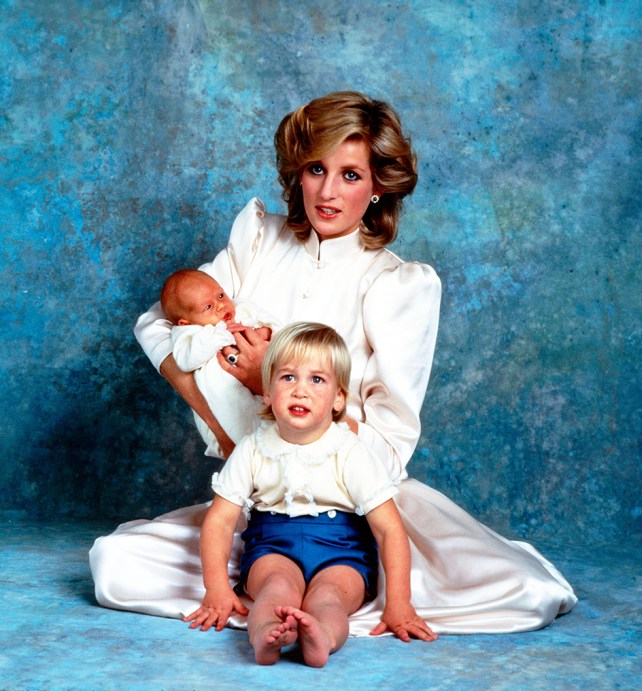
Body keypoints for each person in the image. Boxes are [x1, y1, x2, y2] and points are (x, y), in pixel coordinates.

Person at [90, 90, 577, 635]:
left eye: (350, 175)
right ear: (296, 172)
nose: (327, 191)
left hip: (361, 506)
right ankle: (277, 599)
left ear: (377, 187)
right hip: (257, 498)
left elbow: (390, 447)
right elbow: (159, 324)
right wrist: (233, 438)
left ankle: (337, 599)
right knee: (114, 565)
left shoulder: (398, 284)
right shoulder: (258, 240)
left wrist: (261, 382)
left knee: (526, 595)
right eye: (316, 169)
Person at [185, 322, 437, 666]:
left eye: (316, 380)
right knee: (275, 589)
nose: (300, 390)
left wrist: (399, 602)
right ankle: (266, 636)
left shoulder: (351, 450)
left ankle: (322, 636)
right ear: (268, 392)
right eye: (288, 377)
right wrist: (216, 589)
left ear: (338, 399)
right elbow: (220, 520)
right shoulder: (253, 448)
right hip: (272, 546)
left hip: (342, 552)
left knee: (330, 597)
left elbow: (389, 529)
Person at [160, 268, 279, 457]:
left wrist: (265, 332)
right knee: (246, 429)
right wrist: (222, 334)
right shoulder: (189, 334)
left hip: (265, 386)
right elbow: (186, 360)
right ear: (185, 322)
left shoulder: (242, 308)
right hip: (225, 399)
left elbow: (277, 325)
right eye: (207, 307)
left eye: (221, 295)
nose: (221, 306)